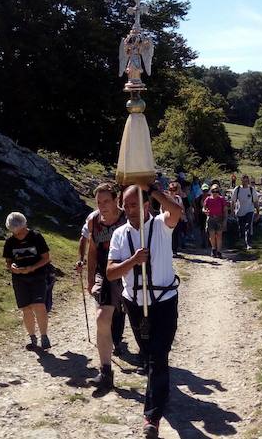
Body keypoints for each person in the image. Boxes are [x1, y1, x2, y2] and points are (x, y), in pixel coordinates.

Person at [107, 183, 183, 439]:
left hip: (164, 301)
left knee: (158, 356)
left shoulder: (162, 225)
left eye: (133, 205)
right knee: (149, 355)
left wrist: (153, 190)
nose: (128, 210)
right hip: (135, 304)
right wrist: (132, 261)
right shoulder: (119, 235)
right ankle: (161, 392)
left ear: (147, 205)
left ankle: (152, 417)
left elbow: (176, 212)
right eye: (125, 206)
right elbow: (110, 273)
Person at [77, 183, 128, 391]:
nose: (103, 206)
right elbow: (92, 251)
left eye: (106, 201)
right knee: (101, 318)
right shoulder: (94, 220)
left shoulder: (128, 217)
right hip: (105, 274)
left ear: (117, 199)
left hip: (128, 272)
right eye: (99, 202)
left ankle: (151, 359)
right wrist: (90, 279)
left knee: (134, 317)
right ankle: (105, 371)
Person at [3, 212, 53, 350]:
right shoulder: (9, 242)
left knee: (39, 306)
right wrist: (12, 267)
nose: (18, 235)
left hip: (38, 276)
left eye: (20, 232)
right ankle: (32, 338)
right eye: (15, 233)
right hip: (19, 279)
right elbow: (8, 261)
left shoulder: (36, 237)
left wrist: (32, 268)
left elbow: (46, 257)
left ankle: (44, 337)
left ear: (25, 226)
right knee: (26, 309)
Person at [232, 174, 261, 250]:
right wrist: (232, 211)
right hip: (239, 211)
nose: (245, 182)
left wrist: (258, 212)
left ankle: (248, 243)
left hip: (250, 210)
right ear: (241, 180)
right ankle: (242, 242)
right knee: (241, 228)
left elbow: (255, 202)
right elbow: (233, 201)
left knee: (248, 226)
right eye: (244, 180)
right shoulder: (237, 189)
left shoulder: (251, 190)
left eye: (247, 180)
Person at [202, 185, 228, 258]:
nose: (215, 192)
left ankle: (219, 251)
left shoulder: (221, 199)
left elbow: (225, 210)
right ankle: (213, 248)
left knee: (219, 235)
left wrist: (225, 220)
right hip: (210, 218)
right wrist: (205, 211)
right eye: (213, 191)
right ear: (211, 191)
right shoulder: (208, 199)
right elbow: (203, 208)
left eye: (216, 191)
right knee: (212, 235)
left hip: (219, 218)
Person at [165, 182, 185, 257]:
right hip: (167, 218)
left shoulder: (178, 198)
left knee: (175, 234)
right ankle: (167, 250)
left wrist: (183, 215)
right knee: (168, 235)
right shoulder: (165, 197)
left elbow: (182, 207)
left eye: (174, 189)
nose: (172, 191)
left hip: (176, 218)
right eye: (170, 189)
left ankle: (174, 251)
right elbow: (162, 208)